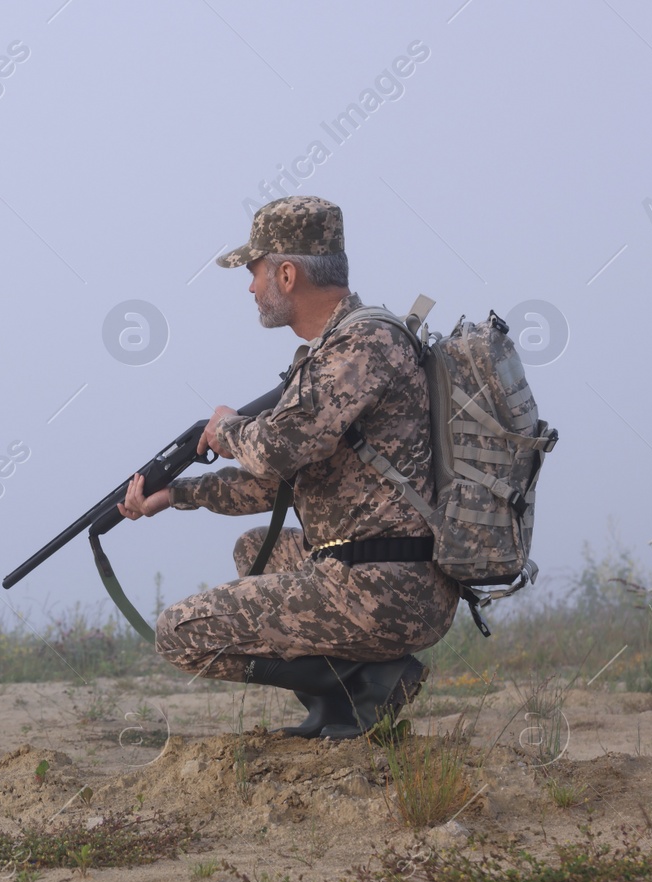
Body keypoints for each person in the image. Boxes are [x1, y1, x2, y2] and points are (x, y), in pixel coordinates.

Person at [115, 196, 456, 739]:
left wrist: (225, 428)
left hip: (385, 590)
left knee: (179, 632)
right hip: (377, 571)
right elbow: (272, 486)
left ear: (288, 274)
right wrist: (175, 495)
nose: (251, 288)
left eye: (254, 273)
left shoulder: (363, 346)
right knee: (258, 549)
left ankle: (374, 679)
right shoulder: (334, 351)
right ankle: (339, 708)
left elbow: (275, 449)